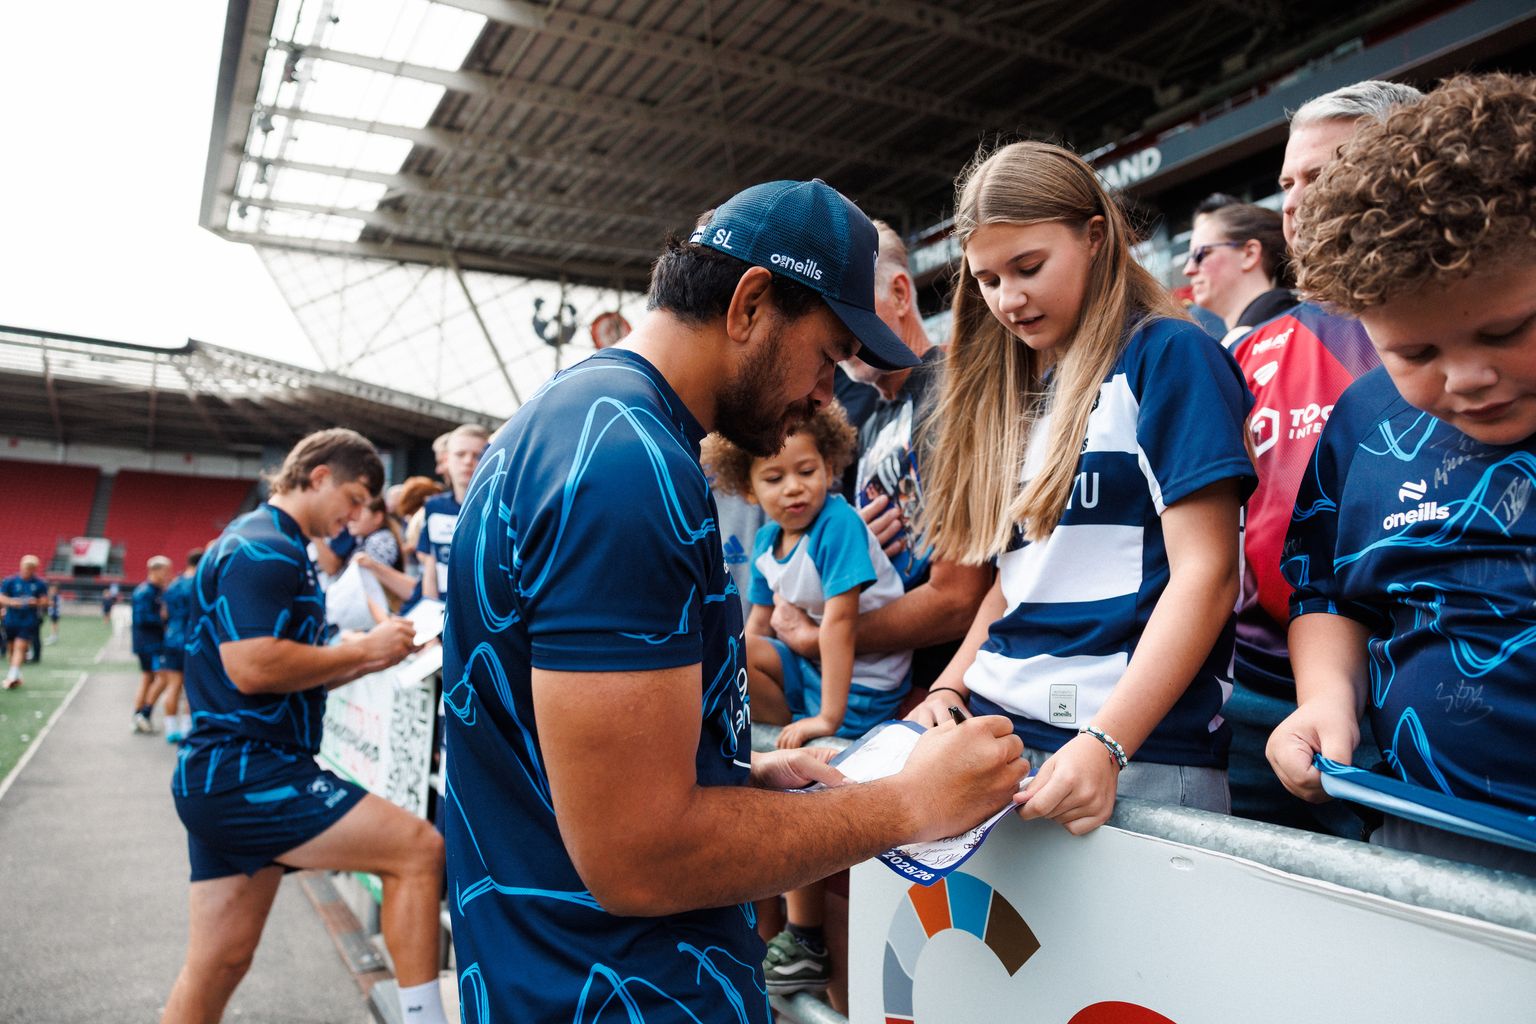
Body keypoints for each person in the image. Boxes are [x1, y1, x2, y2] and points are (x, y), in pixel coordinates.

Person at [440, 178, 1031, 1023]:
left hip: (547, 975)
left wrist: (732, 775)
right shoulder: (626, 469)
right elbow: (640, 858)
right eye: (827, 355)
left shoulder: (565, 423)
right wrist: (909, 804)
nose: (827, 393)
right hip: (620, 993)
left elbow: (555, 759)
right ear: (751, 304)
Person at [906, 141, 1256, 836]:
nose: (1008, 299)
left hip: (1134, 754)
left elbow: (1210, 573)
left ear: (1095, 237)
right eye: (987, 279)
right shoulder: (1018, 390)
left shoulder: (1170, 355)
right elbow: (1020, 578)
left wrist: (1106, 743)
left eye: (1028, 267)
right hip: (999, 739)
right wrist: (948, 687)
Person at [1267, 73, 1536, 876]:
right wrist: (1325, 699)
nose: (1467, 378)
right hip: (1423, 833)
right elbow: (1328, 591)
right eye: (1415, 352)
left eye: (1506, 332)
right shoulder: (1363, 419)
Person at [163, 428, 446, 1024]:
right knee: (418, 850)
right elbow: (252, 666)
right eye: (355, 497)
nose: (357, 516)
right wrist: (362, 649)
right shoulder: (265, 547)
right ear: (319, 477)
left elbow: (287, 675)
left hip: (231, 771)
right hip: (247, 772)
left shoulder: (275, 543)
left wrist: (369, 658)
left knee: (219, 965)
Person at [1224, 79, 1424, 836]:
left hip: (1406, 699)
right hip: (1255, 697)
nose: (1295, 203)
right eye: (1287, 183)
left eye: (1322, 174)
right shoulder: (1246, 352)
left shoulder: (1465, 338)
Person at [770, 220, 993, 693]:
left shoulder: (950, 394)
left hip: (948, 690)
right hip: (888, 687)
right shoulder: (871, 421)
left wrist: (820, 640)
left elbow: (957, 598)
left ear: (899, 293)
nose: (839, 329)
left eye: (851, 306)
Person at [1183, 202, 1294, 346]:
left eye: (1201, 255)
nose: (1188, 270)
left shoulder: (1282, 332)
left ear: (1249, 254)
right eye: (1189, 259)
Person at [417, 423, 488, 602]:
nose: (468, 461)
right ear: (446, 460)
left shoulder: (498, 509)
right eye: (460, 454)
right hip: (443, 608)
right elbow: (431, 562)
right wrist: (430, 607)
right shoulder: (434, 507)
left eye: (477, 455)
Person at [159, 549, 202, 744]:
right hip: (192, 639)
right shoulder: (198, 584)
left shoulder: (173, 584)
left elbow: (164, 614)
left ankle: (171, 728)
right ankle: (187, 728)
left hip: (172, 638)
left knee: (173, 685)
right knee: (192, 686)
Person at [130, 556, 173, 733]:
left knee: (148, 678)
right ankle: (145, 713)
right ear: (155, 570)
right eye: (165, 571)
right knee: (163, 677)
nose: (168, 575)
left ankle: (137, 716)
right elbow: (142, 618)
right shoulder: (145, 592)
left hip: (149, 641)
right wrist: (162, 618)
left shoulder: (156, 590)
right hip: (149, 642)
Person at [1, 555, 50, 689]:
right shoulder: (10, 581)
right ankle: (16, 674)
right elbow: (1, 597)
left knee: (20, 647)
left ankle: (11, 676)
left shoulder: (39, 584)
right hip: (11, 620)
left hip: (28, 621)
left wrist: (36, 602)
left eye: (31, 568)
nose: (28, 570)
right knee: (11, 649)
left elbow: (45, 601)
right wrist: (12, 602)